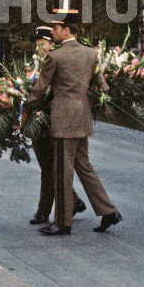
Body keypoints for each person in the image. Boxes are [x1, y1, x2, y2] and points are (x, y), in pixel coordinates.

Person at [24, 10, 121, 235]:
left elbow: (39, 89)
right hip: (82, 119)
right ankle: (109, 211)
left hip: (63, 121)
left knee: (62, 172)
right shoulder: (90, 53)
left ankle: (62, 222)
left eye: (56, 29)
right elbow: (101, 84)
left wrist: (24, 108)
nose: (53, 32)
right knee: (85, 168)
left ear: (66, 29)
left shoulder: (55, 56)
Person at [27, 25, 88, 225]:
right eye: (37, 45)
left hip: (57, 120)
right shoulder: (36, 63)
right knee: (48, 165)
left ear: (53, 44)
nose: (39, 49)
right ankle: (73, 202)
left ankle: (45, 211)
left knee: (51, 166)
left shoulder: (59, 60)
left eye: (42, 44)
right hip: (40, 120)